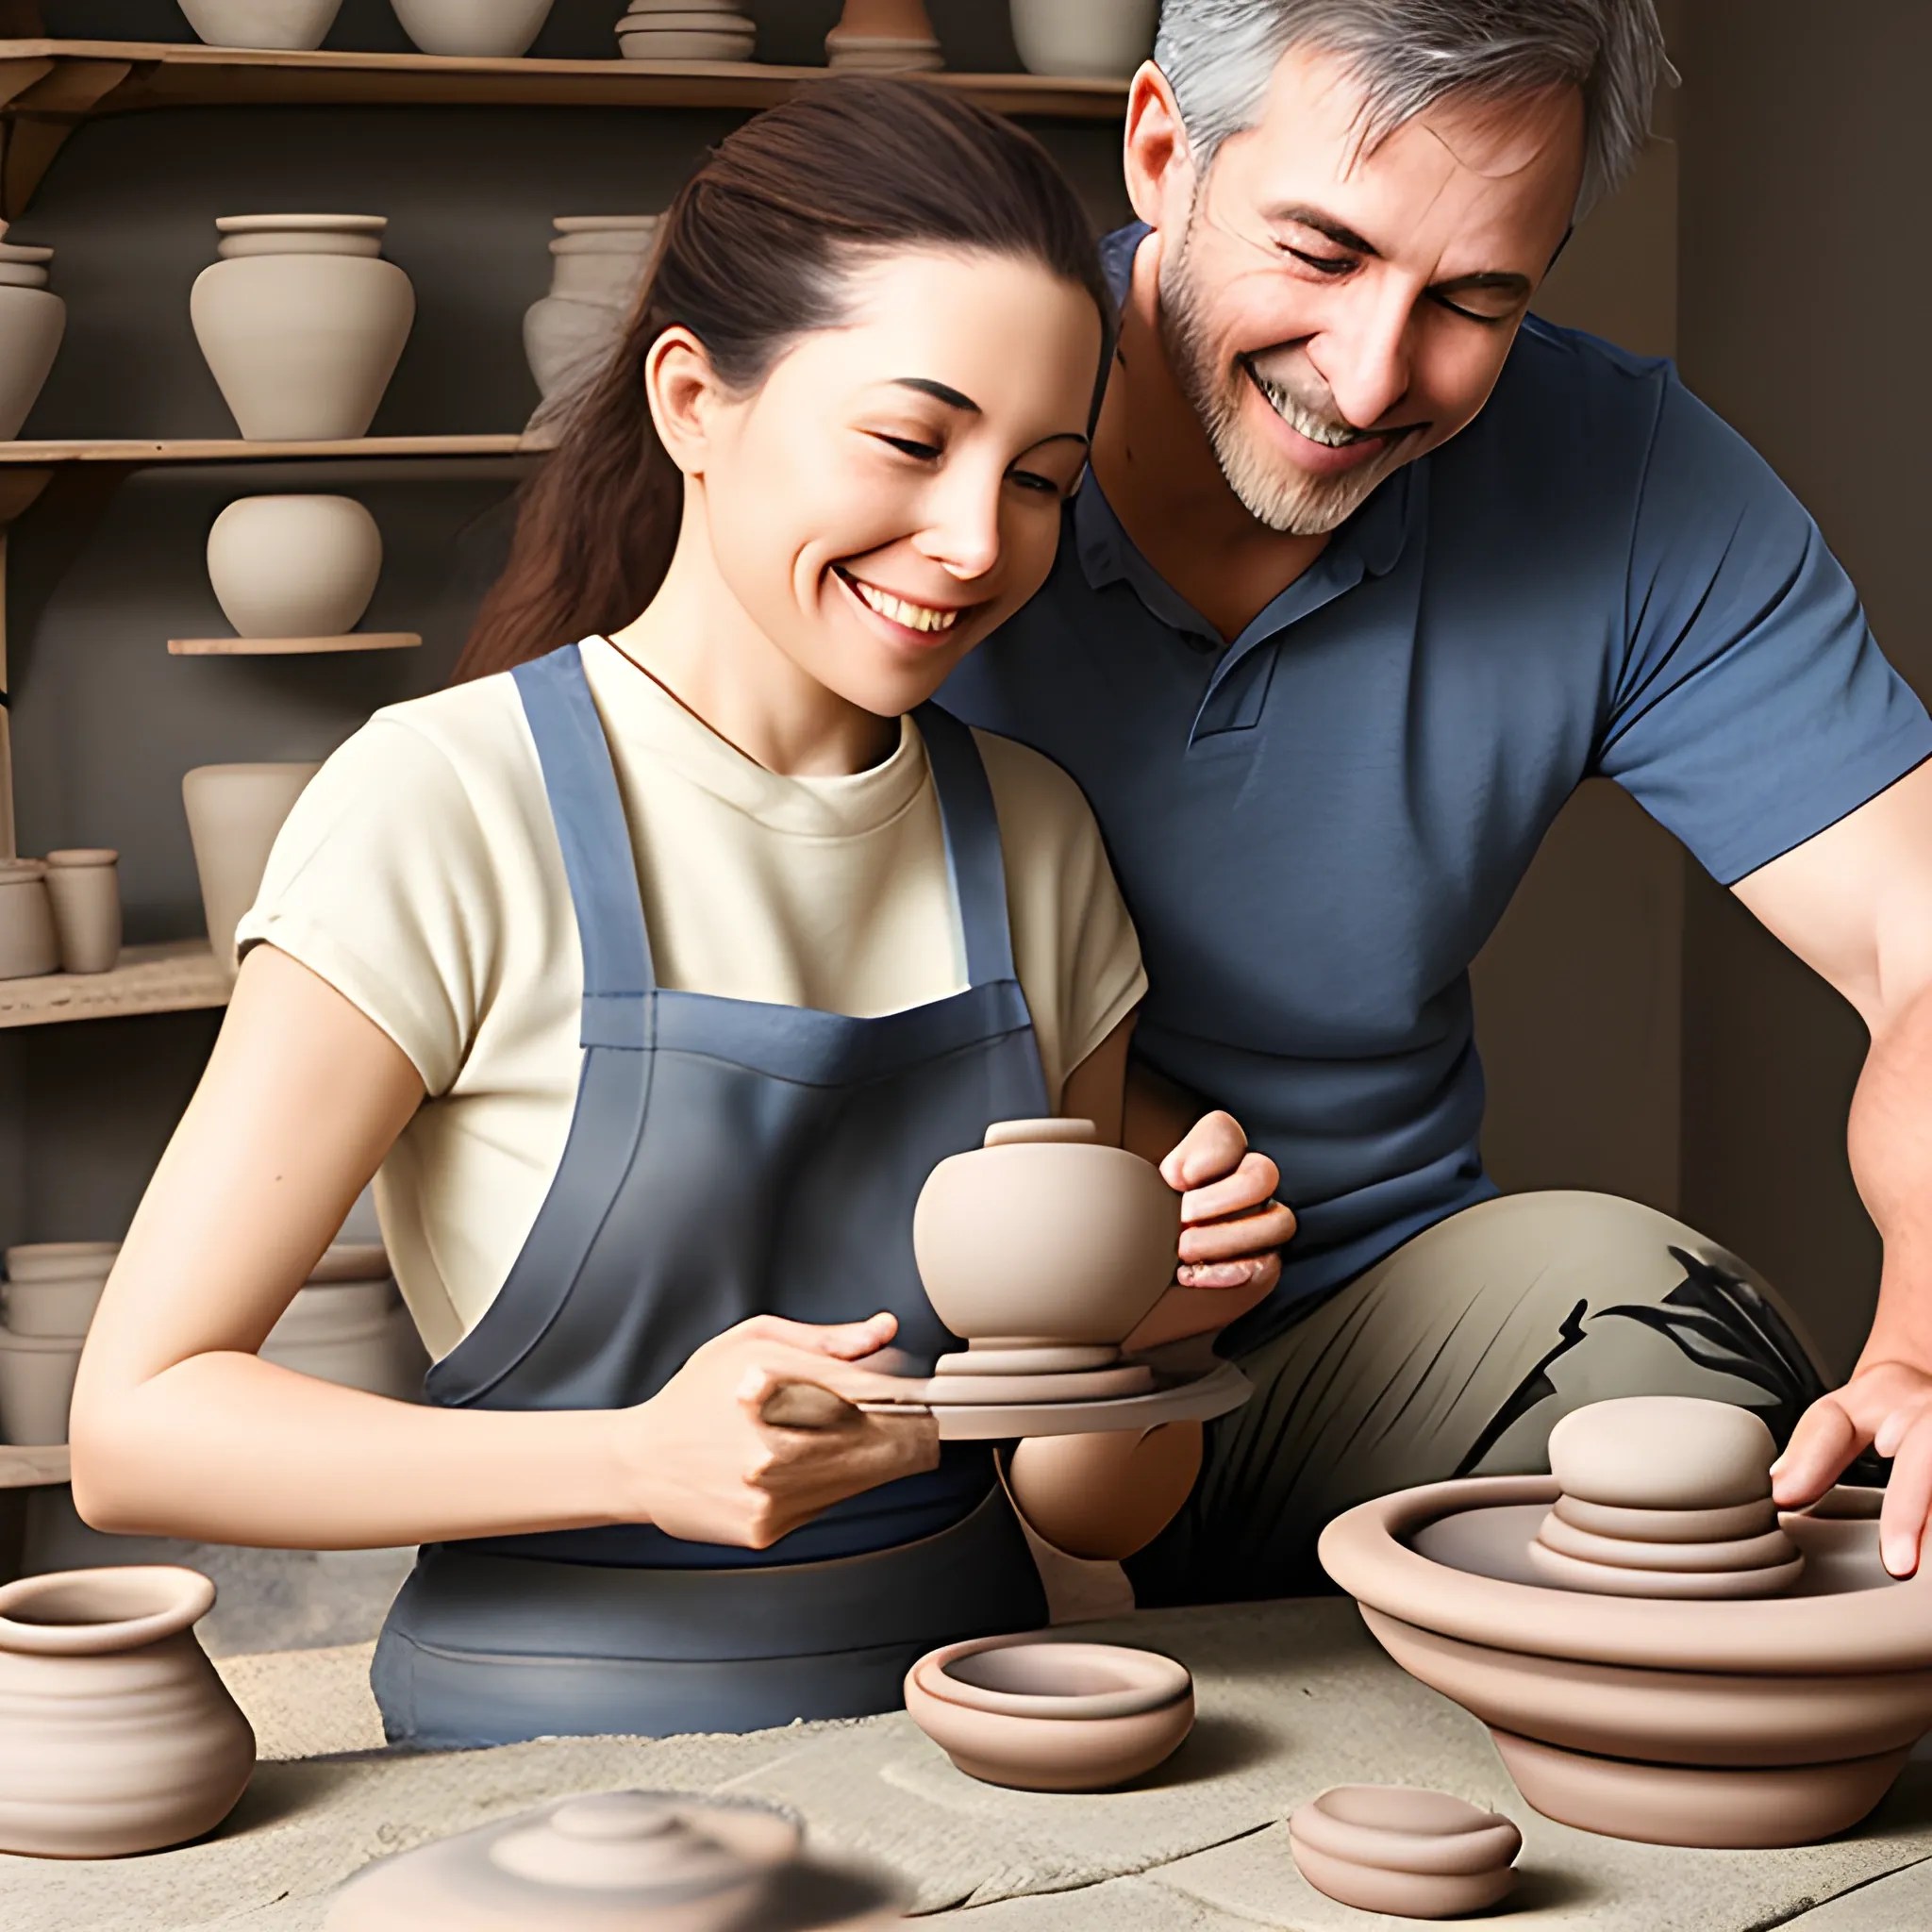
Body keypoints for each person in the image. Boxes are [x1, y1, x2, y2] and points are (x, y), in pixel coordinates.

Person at [66, 79, 1288, 1748]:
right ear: (694, 400)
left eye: (1038, 478)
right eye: (912, 442)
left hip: (968, 1732)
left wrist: (1152, 1326)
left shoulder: (1036, 835)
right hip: (541, 1771)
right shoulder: (443, 804)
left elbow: (1085, 1509)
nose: (970, 541)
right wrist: (637, 1458)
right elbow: (137, 1430)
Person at [940, 0, 1932, 1606]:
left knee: (1688, 1384)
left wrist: (1930, 1347)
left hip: (1356, 1326)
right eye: (1321, 253)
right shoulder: (923, 401)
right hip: (927, 1322)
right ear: (1162, 151)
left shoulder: (1628, 482)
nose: (1370, 375)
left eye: (1475, 298)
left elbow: (1921, 937)